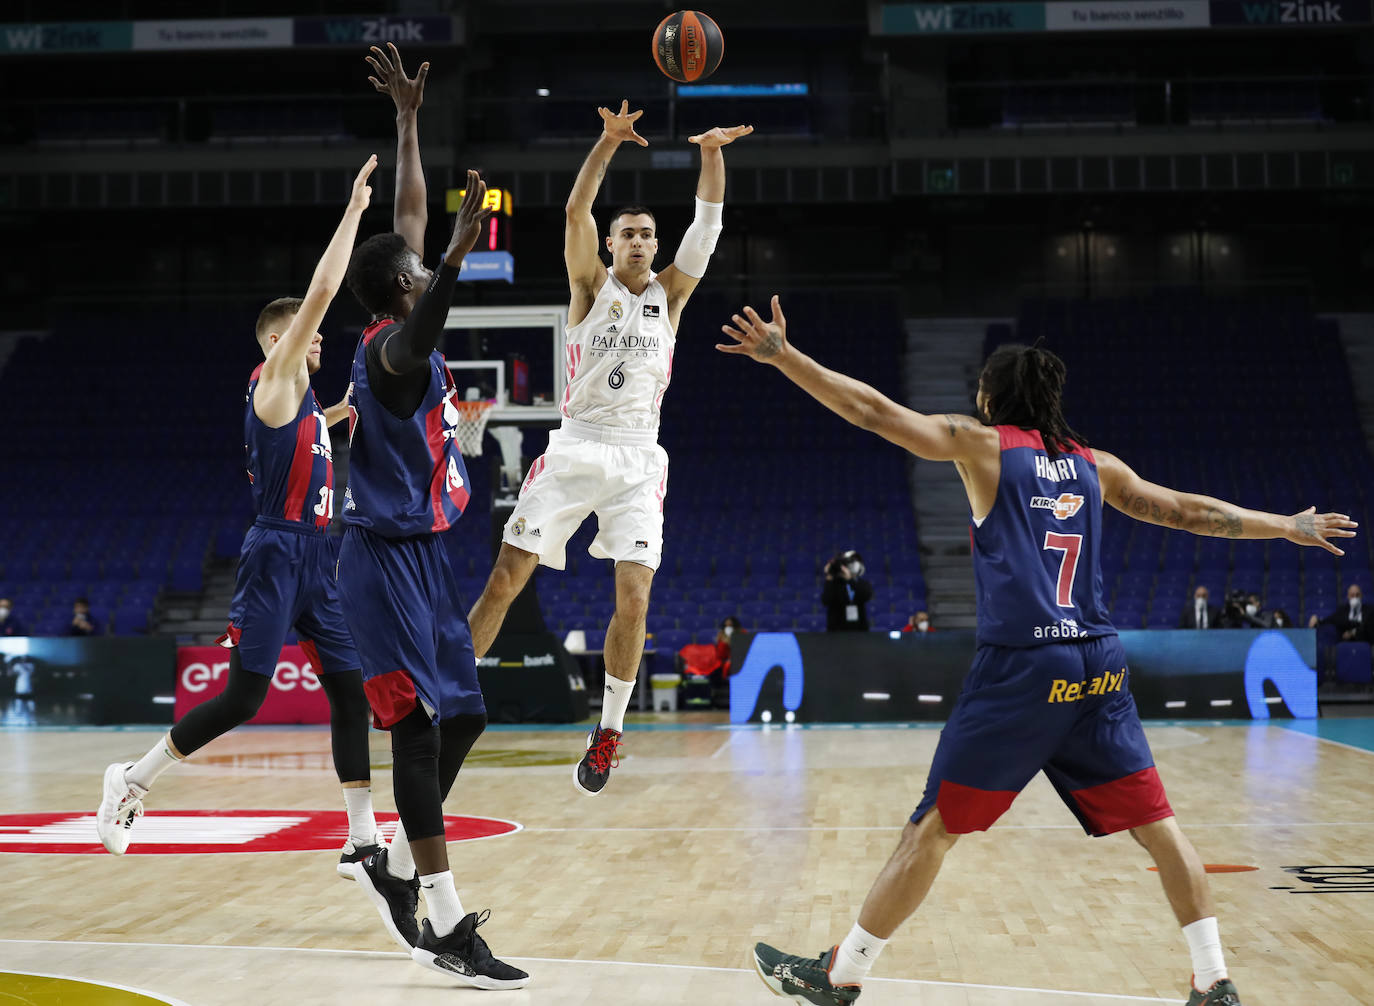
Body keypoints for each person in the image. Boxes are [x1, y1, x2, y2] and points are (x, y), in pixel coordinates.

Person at [717, 299, 1357, 1006]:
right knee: (1159, 827)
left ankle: (842, 975)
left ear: (990, 398)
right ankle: (1215, 979)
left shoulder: (980, 444)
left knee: (934, 828)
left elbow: (873, 413)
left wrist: (785, 357)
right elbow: (1190, 513)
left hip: (1024, 667)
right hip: (1099, 664)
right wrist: (1286, 526)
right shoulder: (1098, 467)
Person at [95, 158, 382, 875]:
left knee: (352, 694)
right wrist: (352, 212)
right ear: (278, 339)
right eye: (307, 335)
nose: (319, 340)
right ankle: (131, 782)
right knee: (245, 697)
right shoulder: (278, 380)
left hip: (320, 554)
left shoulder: (306, 403)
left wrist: (352, 408)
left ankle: (363, 838)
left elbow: (320, 425)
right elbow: (320, 291)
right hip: (279, 553)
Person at [465, 100, 752, 796]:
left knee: (634, 597)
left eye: (648, 235)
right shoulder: (589, 286)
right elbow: (573, 213)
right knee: (506, 578)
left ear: (656, 245)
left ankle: (607, 732)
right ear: (613, 243)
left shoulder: (671, 297)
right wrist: (606, 142)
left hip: (637, 460)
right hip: (574, 450)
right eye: (628, 233)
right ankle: (446, 696)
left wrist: (710, 152)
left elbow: (707, 230)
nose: (640, 242)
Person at [337, 43, 526, 990]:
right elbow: (425, 313)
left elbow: (408, 215)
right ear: (406, 287)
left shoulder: (394, 315)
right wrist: (453, 257)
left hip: (416, 559)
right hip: (377, 561)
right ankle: (445, 921)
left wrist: (410, 120)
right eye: (417, 268)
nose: (422, 261)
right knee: (415, 732)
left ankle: (397, 865)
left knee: (469, 715)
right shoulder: (390, 355)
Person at [822, 550, 873, 632]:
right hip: (836, 631)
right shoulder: (834, 584)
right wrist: (829, 577)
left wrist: (850, 580)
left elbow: (866, 595)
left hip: (859, 630)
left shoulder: (860, 583)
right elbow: (826, 601)